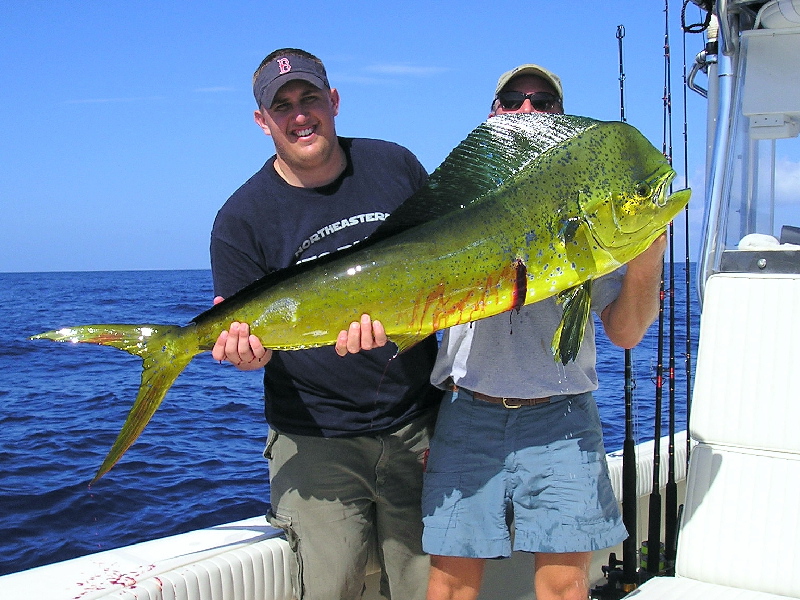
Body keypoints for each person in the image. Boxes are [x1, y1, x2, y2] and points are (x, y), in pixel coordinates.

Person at [336, 64, 667, 600]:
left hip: (562, 418)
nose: (528, 110)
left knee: (564, 588)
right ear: (493, 113)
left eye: (544, 102)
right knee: (448, 588)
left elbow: (625, 334)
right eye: (513, 99)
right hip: (470, 413)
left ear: (563, 121)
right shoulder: (460, 205)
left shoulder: (587, 211)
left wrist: (648, 257)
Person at [209, 48, 442, 600]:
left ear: (333, 101)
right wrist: (248, 352)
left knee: (427, 589)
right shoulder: (240, 219)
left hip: (420, 426)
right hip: (316, 445)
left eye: (310, 98)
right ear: (262, 121)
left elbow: (442, 263)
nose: (299, 115)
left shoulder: (395, 166)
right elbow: (249, 340)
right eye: (282, 105)